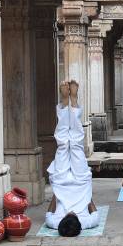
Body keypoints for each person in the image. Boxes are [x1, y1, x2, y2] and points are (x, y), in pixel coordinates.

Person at [45, 80, 99, 237]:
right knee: (71, 145)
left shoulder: (58, 223)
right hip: (79, 182)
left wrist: (58, 192)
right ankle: (72, 101)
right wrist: (86, 194)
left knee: (66, 145)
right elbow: (93, 211)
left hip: (65, 182)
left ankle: (65, 101)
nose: (72, 213)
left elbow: (50, 213)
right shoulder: (82, 223)